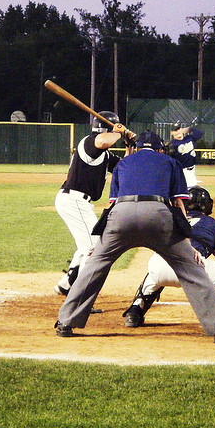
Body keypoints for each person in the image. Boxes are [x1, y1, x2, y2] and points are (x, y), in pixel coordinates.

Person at [55, 130, 215, 343]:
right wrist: (188, 242)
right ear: (160, 149)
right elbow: (178, 204)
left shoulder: (123, 164)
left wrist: (101, 244)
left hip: (121, 216)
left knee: (95, 266)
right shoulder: (170, 162)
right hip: (158, 216)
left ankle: (66, 322)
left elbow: (112, 205)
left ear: (137, 148)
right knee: (192, 270)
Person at [122, 185, 215, 334]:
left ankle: (135, 312)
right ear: (207, 205)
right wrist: (213, 248)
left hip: (158, 267)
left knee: (160, 264)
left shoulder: (172, 218)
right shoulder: (213, 224)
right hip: (191, 268)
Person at [54, 111, 135, 298]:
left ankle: (67, 285)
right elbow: (103, 141)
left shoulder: (103, 154)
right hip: (74, 200)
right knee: (94, 248)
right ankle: (79, 298)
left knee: (88, 246)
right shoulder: (90, 142)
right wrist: (119, 132)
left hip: (79, 202)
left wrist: (129, 144)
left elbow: (125, 167)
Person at [168, 121, 203, 188]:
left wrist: (189, 129)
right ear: (171, 133)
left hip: (192, 169)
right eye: (175, 130)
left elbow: (199, 133)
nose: (178, 131)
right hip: (182, 171)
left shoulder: (189, 138)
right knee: (191, 188)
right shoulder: (172, 144)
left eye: (179, 129)